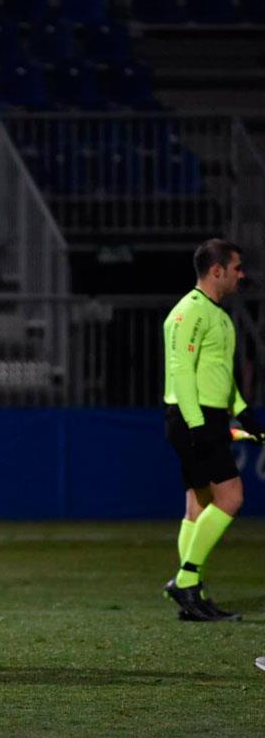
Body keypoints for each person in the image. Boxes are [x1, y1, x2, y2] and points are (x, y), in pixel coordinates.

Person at [162, 239, 262, 621]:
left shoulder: (218, 315)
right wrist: (198, 424)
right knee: (231, 498)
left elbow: (220, 374)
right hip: (193, 417)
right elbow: (181, 372)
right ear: (216, 270)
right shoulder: (188, 313)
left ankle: (192, 592)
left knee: (198, 506)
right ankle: (186, 581)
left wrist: (243, 413)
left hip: (210, 416)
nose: (242, 274)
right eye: (237, 267)